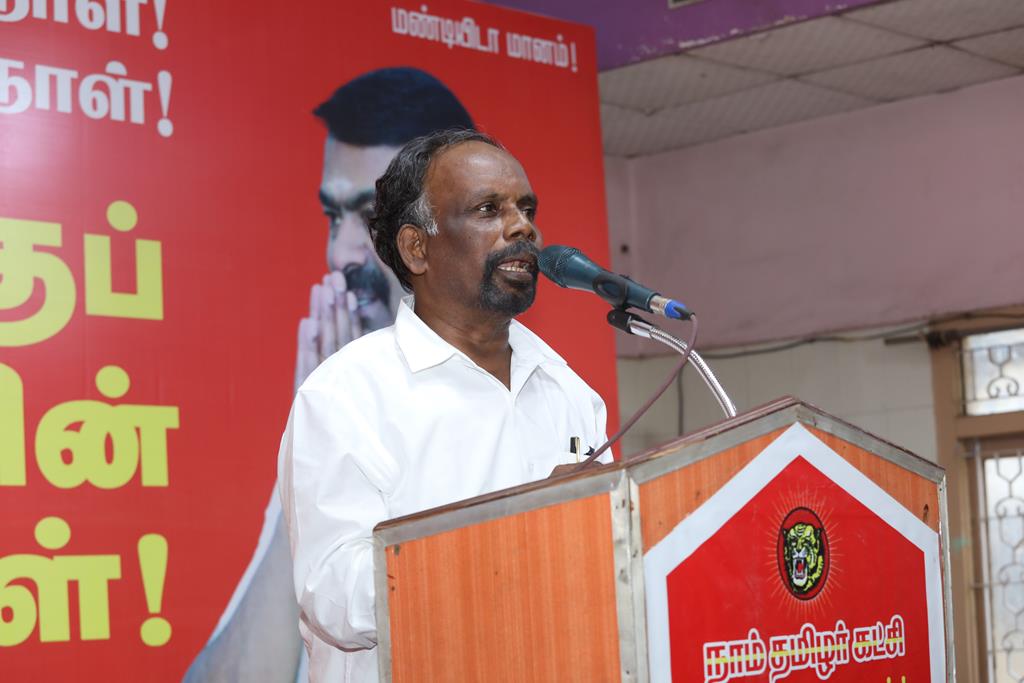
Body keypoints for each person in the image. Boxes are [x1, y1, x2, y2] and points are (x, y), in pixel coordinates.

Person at [278, 129, 610, 683]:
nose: (522, 228)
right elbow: (336, 598)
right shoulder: (345, 396)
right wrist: (517, 530)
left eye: (526, 209)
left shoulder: (567, 389)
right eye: (488, 210)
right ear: (417, 248)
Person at [182, 68, 474, 683]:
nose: (340, 253)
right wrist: (322, 446)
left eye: (370, 218)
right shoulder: (331, 420)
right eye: (333, 216)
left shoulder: (534, 404)